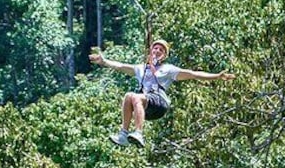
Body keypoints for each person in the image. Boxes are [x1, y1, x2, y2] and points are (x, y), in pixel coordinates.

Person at [89, 39, 235, 147]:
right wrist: (104, 61)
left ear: (164, 55)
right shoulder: (141, 68)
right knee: (129, 96)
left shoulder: (168, 69)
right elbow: (120, 66)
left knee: (134, 96)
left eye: (161, 50)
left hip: (159, 103)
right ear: (150, 51)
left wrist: (216, 76)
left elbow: (193, 74)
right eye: (155, 48)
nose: (157, 51)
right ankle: (124, 135)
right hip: (147, 108)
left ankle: (139, 133)